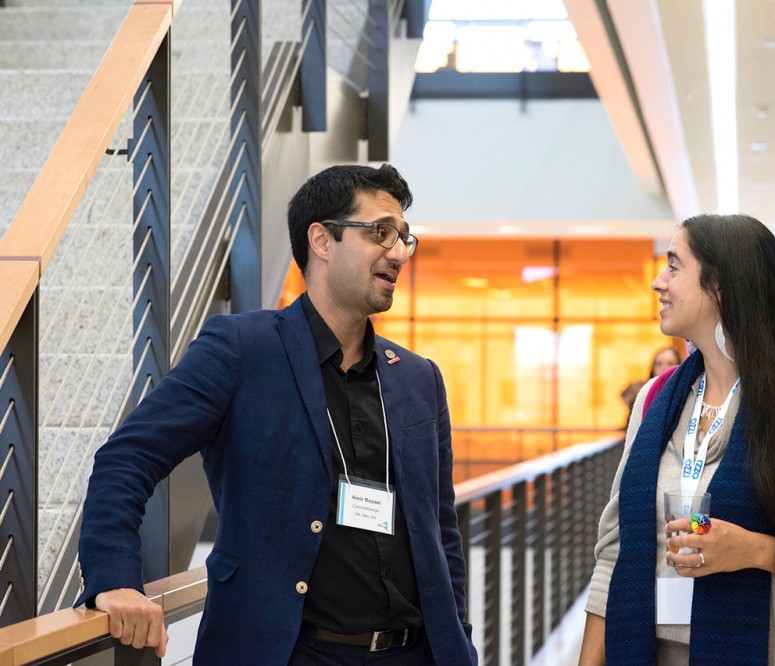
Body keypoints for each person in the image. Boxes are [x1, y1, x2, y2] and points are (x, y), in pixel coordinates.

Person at [76, 164, 477, 665]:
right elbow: (127, 458)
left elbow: (441, 530)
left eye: (403, 238)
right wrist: (116, 580)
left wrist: (459, 641)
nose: (398, 251)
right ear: (322, 240)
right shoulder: (243, 350)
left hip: (413, 654)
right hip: (287, 653)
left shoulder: (418, 378)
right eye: (380, 232)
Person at [579, 214, 775, 665]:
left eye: (674, 266)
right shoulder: (656, 400)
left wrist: (756, 551)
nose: (658, 282)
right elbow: (614, 553)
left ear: (721, 287)